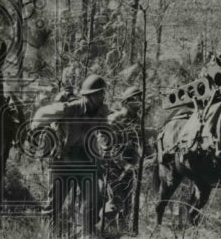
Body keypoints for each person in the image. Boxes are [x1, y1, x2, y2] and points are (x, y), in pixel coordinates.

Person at [33, 74, 111, 229]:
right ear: (88, 96)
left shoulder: (101, 110)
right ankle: (46, 235)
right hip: (64, 159)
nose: (102, 96)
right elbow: (41, 113)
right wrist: (36, 130)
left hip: (86, 158)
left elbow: (104, 130)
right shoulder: (70, 108)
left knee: (93, 198)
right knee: (56, 201)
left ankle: (88, 235)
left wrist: (106, 147)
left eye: (103, 93)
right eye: (98, 94)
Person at [103, 85, 144, 226]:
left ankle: (122, 233)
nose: (140, 102)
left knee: (127, 202)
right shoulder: (114, 120)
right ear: (127, 101)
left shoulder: (137, 120)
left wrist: (138, 162)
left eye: (140, 99)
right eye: (136, 99)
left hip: (131, 166)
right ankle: (107, 233)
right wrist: (123, 165)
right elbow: (107, 148)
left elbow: (138, 143)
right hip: (114, 167)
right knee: (114, 200)